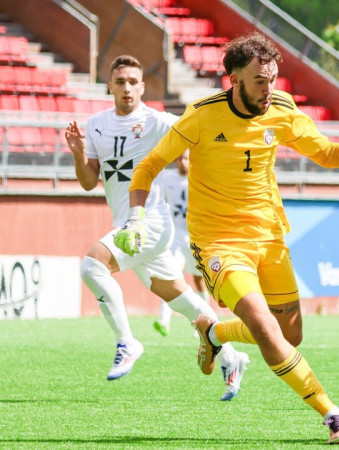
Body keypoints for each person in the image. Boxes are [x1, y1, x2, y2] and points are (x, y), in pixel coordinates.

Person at [114, 33, 339, 444]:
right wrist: (134, 218)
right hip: (219, 242)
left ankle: (214, 332)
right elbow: (149, 166)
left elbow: (326, 152)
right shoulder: (201, 115)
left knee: (288, 335)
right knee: (264, 326)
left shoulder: (280, 107)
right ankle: (332, 414)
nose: (269, 88)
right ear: (234, 79)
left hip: (269, 235)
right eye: (260, 80)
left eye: (273, 79)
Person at [64, 55, 249, 401]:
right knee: (185, 303)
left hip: (150, 223)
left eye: (133, 81)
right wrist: (78, 154)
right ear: (110, 87)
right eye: (120, 82)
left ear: (142, 87)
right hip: (126, 226)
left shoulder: (157, 121)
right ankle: (233, 358)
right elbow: (90, 181)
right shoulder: (96, 125)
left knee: (92, 266)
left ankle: (127, 342)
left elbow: (198, 128)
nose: (127, 88)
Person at [154, 149, 209, 337]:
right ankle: (164, 320)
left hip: (195, 238)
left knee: (199, 280)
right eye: (178, 159)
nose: (182, 162)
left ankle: (205, 320)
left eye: (185, 158)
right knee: (171, 276)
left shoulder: (199, 178)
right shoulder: (167, 180)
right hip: (176, 239)